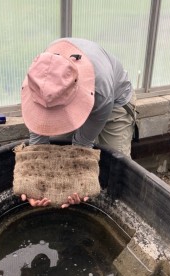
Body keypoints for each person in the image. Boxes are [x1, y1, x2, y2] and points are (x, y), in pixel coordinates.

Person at [20, 38, 137, 208]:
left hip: (114, 103)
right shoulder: (38, 79)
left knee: (116, 163)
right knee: (58, 150)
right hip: (66, 95)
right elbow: (39, 143)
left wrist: (77, 184)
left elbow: (82, 146)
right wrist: (34, 184)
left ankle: (112, 205)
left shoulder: (101, 89)